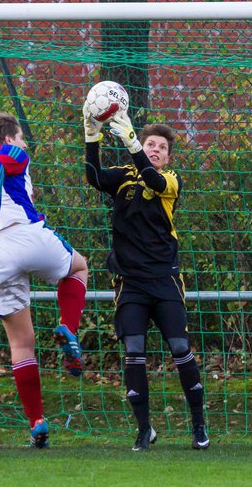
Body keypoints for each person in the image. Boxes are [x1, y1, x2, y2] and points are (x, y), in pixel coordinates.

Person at [83, 96, 209, 452]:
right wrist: (92, 136)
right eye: (150, 143)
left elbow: (152, 182)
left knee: (180, 348)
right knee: (134, 351)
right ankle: (144, 430)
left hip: (164, 280)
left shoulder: (169, 181)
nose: (155, 149)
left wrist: (133, 142)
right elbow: (93, 177)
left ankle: (198, 425)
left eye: (161, 147)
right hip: (130, 282)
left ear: (168, 157)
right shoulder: (122, 176)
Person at [0, 111, 89, 448]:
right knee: (79, 268)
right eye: (21, 137)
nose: (24, 145)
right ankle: (68, 327)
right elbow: (5, 163)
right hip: (23, 235)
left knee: (21, 344)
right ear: (8, 138)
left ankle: (37, 422)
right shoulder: (8, 155)